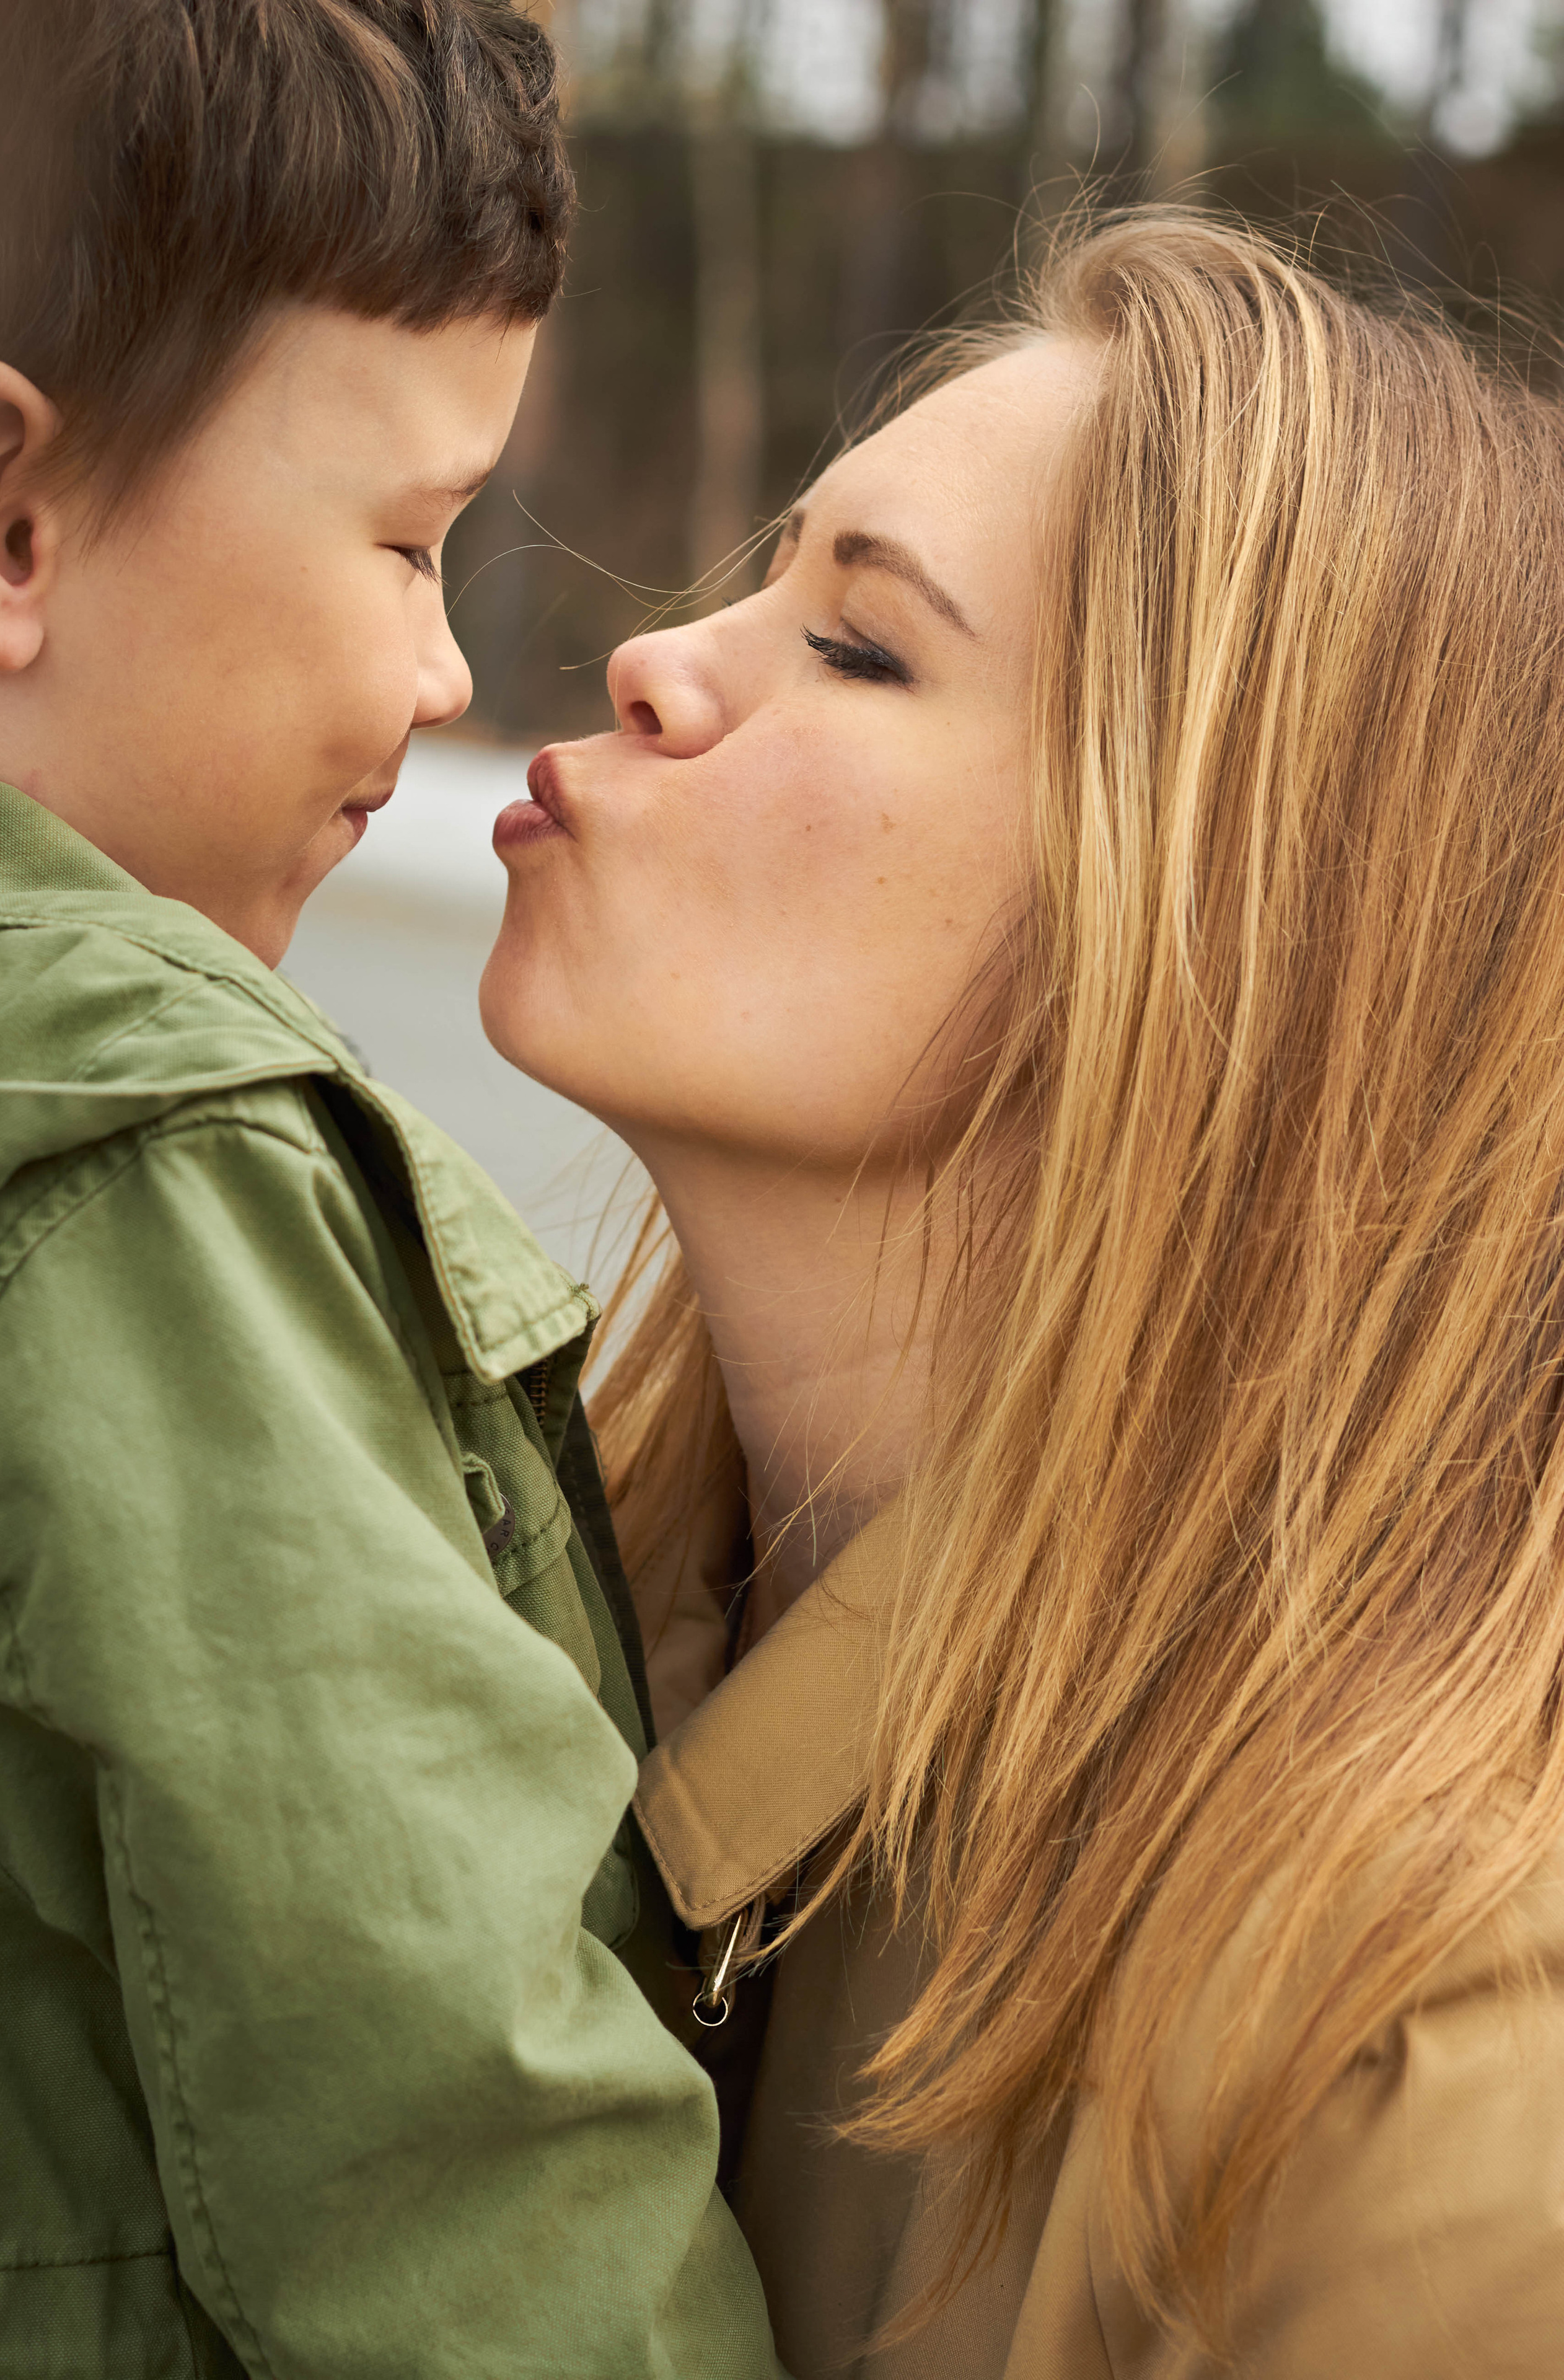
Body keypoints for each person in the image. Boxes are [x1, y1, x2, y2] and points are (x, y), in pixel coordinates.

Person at [481, 210, 1564, 2377]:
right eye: (768, 579)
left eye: (859, 646)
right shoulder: (506, 1612)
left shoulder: (1432, 2099)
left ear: (1223, 931)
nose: (659, 661)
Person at [0, 5, 781, 2375]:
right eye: (410, 545)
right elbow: (465, 2142)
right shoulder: (149, 1165)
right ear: (6, 523)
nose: (444, 670)